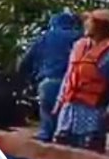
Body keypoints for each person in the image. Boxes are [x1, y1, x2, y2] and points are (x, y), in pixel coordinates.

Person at [52, 8, 109, 151]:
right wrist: (59, 102)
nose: (85, 24)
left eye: (90, 21)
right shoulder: (79, 45)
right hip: (68, 115)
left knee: (88, 153)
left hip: (93, 116)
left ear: (101, 26)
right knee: (60, 152)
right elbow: (69, 76)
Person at [18, 10, 82, 142]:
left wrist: (23, 78)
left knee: (47, 127)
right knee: (69, 131)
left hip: (48, 82)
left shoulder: (45, 38)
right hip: (74, 87)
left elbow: (25, 62)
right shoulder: (79, 38)